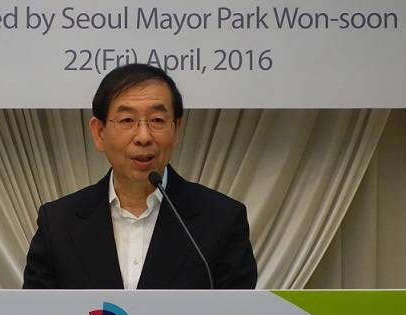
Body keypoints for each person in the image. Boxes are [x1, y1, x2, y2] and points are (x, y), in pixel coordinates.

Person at [23, 63, 257, 289]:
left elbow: (237, 313)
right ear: (99, 132)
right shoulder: (58, 223)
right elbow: (37, 312)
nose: (143, 137)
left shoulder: (222, 220)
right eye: (127, 120)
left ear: (176, 128)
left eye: (157, 120)